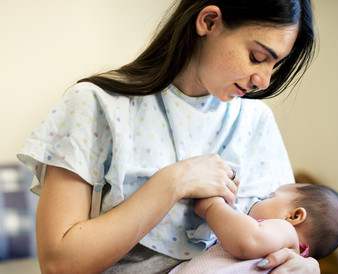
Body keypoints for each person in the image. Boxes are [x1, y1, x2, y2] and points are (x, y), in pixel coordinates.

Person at [17, 0, 318, 273]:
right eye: (256, 56)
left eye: (275, 65)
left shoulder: (257, 122)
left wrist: (301, 263)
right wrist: (174, 182)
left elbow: (290, 237)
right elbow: (59, 264)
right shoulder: (94, 105)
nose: (263, 81)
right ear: (209, 21)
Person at [169, 183, 338, 273]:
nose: (258, 200)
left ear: (294, 216)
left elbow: (249, 240)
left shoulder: (285, 232)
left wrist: (213, 207)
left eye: (270, 196)